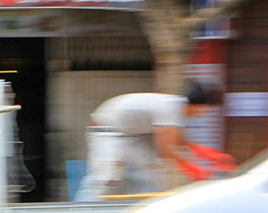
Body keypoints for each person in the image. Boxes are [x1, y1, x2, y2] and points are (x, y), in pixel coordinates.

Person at [78, 82, 213, 199]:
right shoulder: (169, 108)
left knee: (151, 177)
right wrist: (192, 169)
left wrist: (198, 151)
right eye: (199, 110)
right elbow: (165, 150)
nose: (199, 113)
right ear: (194, 105)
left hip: (132, 135)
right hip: (107, 130)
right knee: (106, 178)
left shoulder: (175, 107)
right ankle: (83, 212)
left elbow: (175, 137)